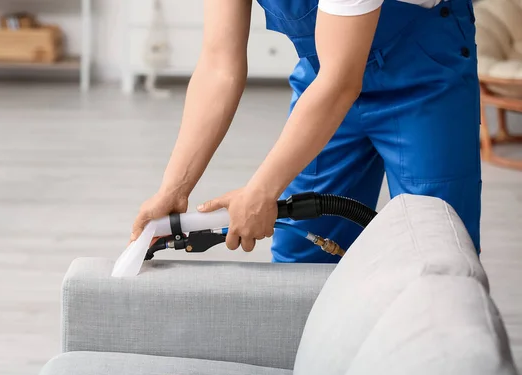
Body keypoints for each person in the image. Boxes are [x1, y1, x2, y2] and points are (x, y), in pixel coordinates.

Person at [130, 0, 481, 263]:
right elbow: (219, 64)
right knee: (304, 250)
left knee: (436, 254)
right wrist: (173, 189)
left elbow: (342, 83)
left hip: (422, 75)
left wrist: (261, 190)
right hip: (324, 74)